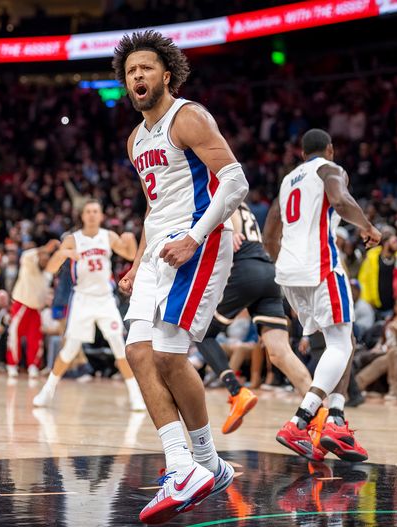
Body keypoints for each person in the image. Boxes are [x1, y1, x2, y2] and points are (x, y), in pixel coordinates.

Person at [113, 31, 248, 524]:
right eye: (131, 71)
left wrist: (194, 235)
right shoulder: (135, 139)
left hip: (199, 241)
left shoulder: (188, 116)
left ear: (166, 74)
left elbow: (235, 180)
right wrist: (138, 259)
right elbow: (153, 206)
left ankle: (197, 467)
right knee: (137, 352)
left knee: (169, 356)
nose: (138, 77)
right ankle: (194, 465)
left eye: (146, 68)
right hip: (158, 250)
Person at [272, 128, 381, 464]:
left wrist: (280, 272)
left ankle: (335, 421)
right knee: (342, 344)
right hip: (319, 266)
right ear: (329, 150)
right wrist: (367, 226)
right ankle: (301, 421)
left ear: (301, 152)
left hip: (288, 273)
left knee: (334, 341)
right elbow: (340, 200)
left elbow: (269, 234)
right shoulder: (329, 169)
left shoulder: (288, 180)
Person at [195, 201, 313, 434]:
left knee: (202, 334)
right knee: (280, 352)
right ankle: (320, 414)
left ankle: (237, 392)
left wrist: (233, 231)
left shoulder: (216, 190)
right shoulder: (242, 200)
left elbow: (229, 208)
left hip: (246, 271)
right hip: (269, 272)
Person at [33, 201, 145, 410]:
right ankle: (47, 391)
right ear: (82, 216)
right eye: (88, 212)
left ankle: (135, 395)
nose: (92, 215)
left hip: (105, 299)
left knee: (118, 345)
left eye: (96, 211)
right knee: (70, 349)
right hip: (82, 299)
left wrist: (130, 240)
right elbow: (50, 268)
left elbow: (130, 255)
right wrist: (63, 254)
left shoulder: (108, 236)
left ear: (101, 215)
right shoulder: (72, 239)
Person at [8, 239, 59, 377]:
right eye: (43, 256)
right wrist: (45, 248)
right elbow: (26, 254)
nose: (45, 259)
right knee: (15, 336)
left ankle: (33, 366)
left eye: (47, 258)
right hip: (21, 305)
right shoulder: (29, 265)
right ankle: (12, 365)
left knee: (35, 339)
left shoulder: (48, 274)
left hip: (36, 309)